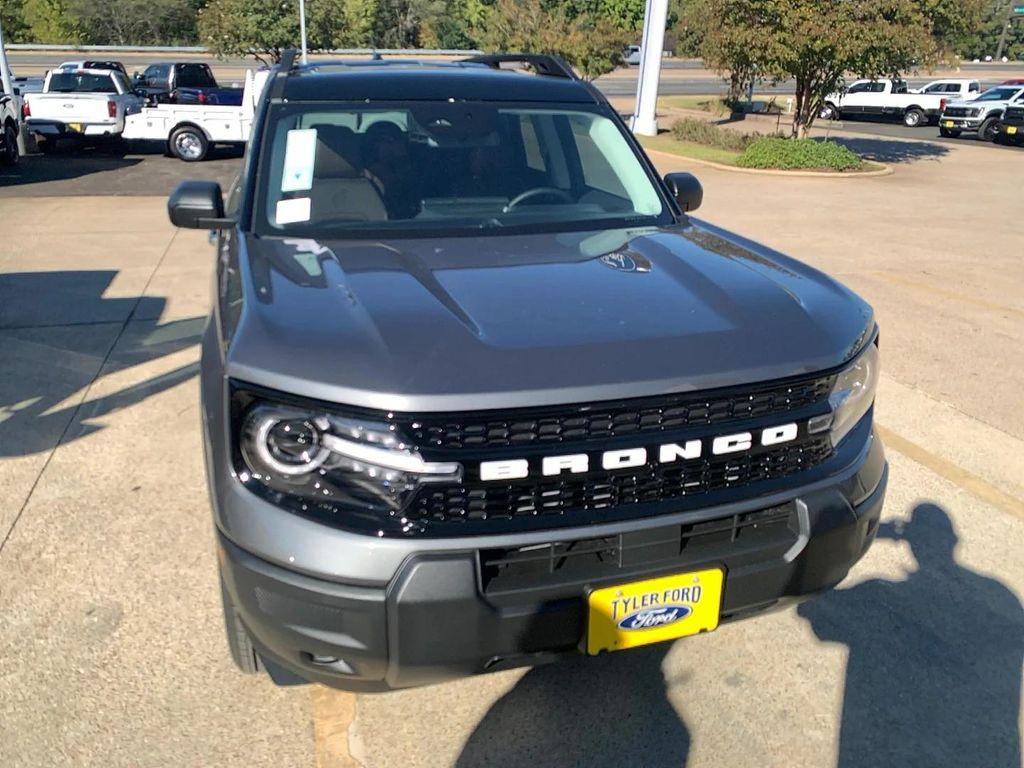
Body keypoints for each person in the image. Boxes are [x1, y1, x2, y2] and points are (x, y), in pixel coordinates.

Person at [798, 503, 1022, 768]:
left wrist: (875, 533)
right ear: (953, 541)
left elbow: (810, 609)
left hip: (885, 747)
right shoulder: (1000, 595)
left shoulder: (877, 594)